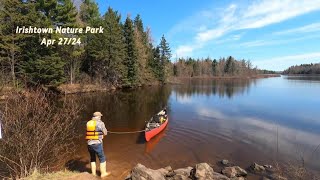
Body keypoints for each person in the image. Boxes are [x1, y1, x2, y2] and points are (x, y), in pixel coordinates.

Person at [86, 112, 111, 177]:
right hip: (97, 144)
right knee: (102, 158)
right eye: (100, 116)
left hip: (89, 144)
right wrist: (105, 131)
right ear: (98, 117)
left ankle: (93, 174)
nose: (100, 117)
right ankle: (103, 174)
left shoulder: (88, 123)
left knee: (93, 158)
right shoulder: (101, 123)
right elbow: (105, 133)